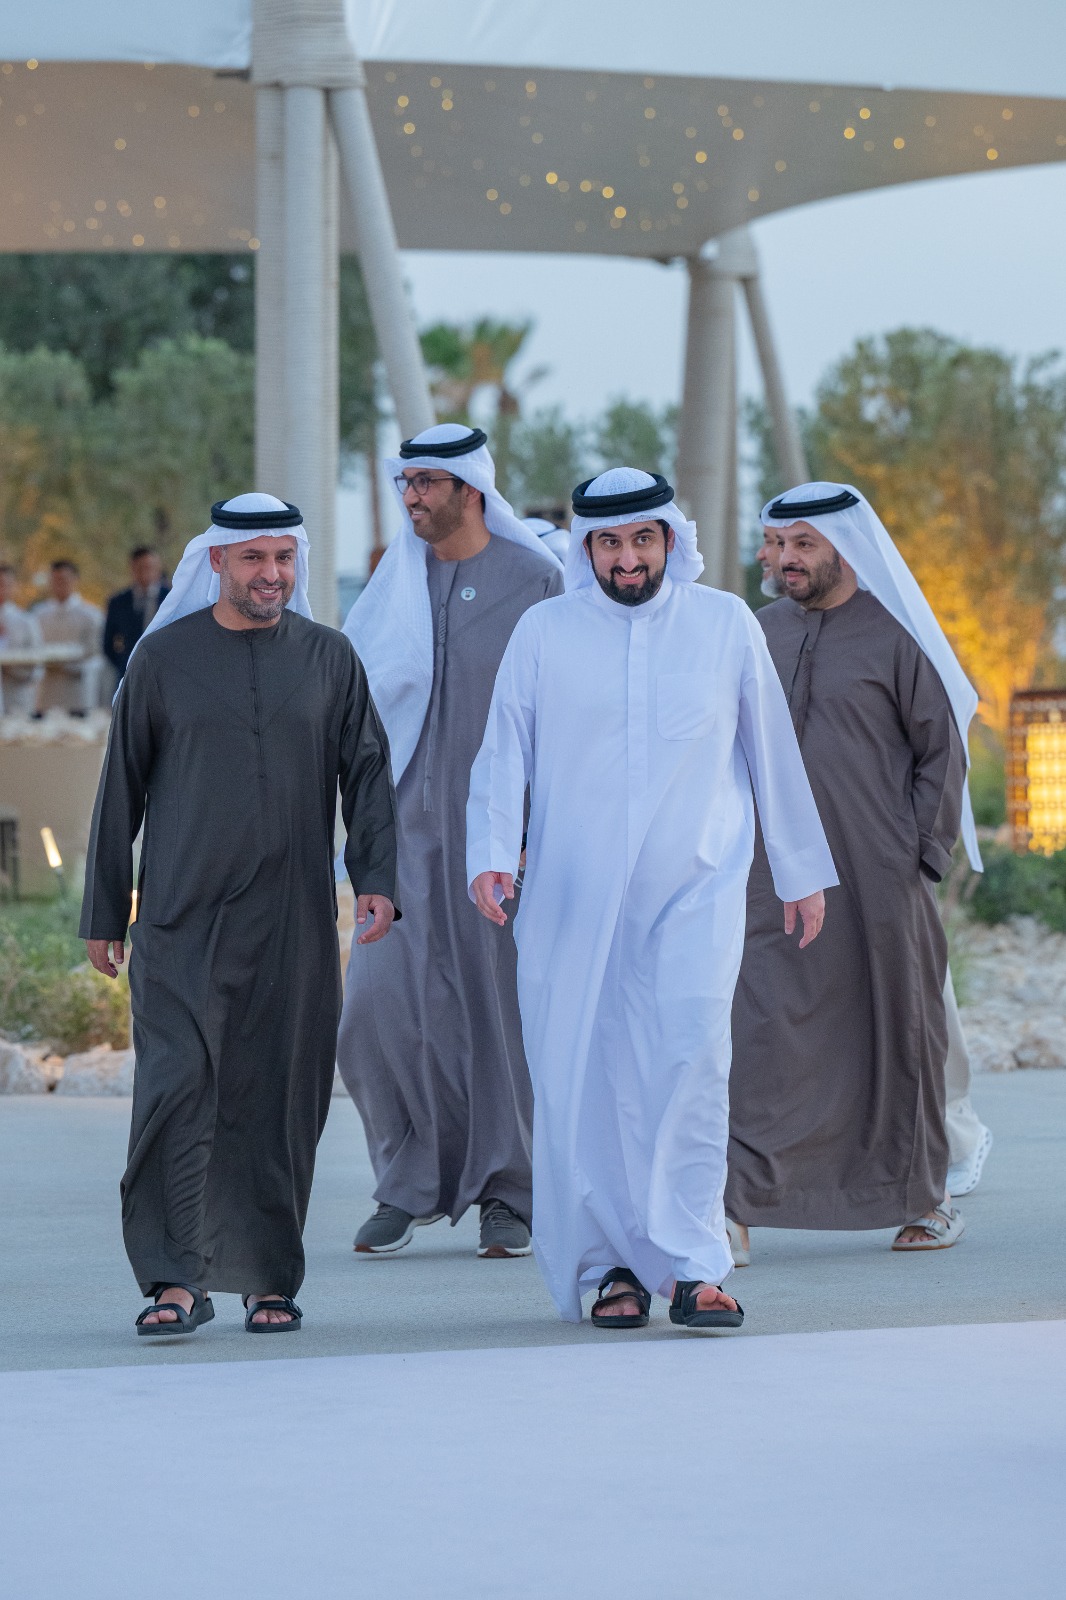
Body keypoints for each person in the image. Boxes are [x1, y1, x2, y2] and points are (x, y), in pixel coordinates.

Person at [468, 468, 835, 1329]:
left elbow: (770, 746)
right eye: (609, 542)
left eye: (642, 539)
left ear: (670, 539)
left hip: (695, 889)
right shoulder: (545, 631)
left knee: (690, 1062)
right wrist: (491, 853)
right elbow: (505, 746)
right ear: (586, 547)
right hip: (570, 897)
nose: (627, 558)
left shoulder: (724, 623)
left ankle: (695, 1266)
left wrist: (800, 869)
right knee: (585, 1076)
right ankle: (611, 1269)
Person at [80, 494, 398, 1336]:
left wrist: (376, 877)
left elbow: (368, 771)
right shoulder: (161, 659)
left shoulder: (329, 658)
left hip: (293, 919)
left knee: (278, 1095)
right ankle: (175, 1278)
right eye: (254, 558)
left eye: (284, 558)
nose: (271, 574)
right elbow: (120, 789)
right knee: (177, 1087)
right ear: (217, 561)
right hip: (179, 919)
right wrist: (105, 910)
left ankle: (267, 1277)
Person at [727, 483, 975, 1258]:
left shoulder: (897, 636)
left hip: (878, 873)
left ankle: (922, 1197)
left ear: (844, 546)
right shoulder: (754, 632)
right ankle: (739, 1206)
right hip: (768, 876)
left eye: (803, 543)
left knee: (899, 1030)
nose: (786, 559)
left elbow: (942, 750)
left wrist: (918, 853)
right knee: (759, 1032)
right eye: (778, 544)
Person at [339, 423, 563, 1259]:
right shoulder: (395, 582)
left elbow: (560, 718)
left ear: (471, 489)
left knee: (497, 1012)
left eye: (427, 482)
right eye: (406, 482)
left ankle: (509, 1191)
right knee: (376, 1012)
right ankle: (410, 1181)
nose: (412, 496)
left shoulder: (536, 581)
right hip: (402, 838)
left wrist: (536, 828)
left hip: (500, 841)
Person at [33, 560, 103, 714]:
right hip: (47, 692)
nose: (60, 584)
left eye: (64, 579)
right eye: (55, 580)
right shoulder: (38, 614)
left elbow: (95, 652)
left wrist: (68, 662)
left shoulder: (91, 615)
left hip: (77, 691)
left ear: (75, 580)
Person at [103, 546, 170, 682]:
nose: (146, 573)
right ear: (132, 569)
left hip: (166, 672)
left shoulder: (171, 598)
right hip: (129, 672)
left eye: (150, 567)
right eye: (141, 568)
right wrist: (124, 664)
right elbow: (108, 643)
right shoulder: (118, 601)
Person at [0, 563, 43, 715]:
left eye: (4, 584)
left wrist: (12, 669)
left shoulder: (26, 620)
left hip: (16, 694)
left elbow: (37, 660)